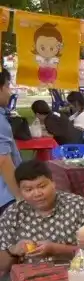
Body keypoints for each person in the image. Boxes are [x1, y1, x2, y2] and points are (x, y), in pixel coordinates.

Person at [0, 69, 20, 214]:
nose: (9, 92)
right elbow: (3, 160)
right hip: (5, 197)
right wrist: (20, 197)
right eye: (7, 86)